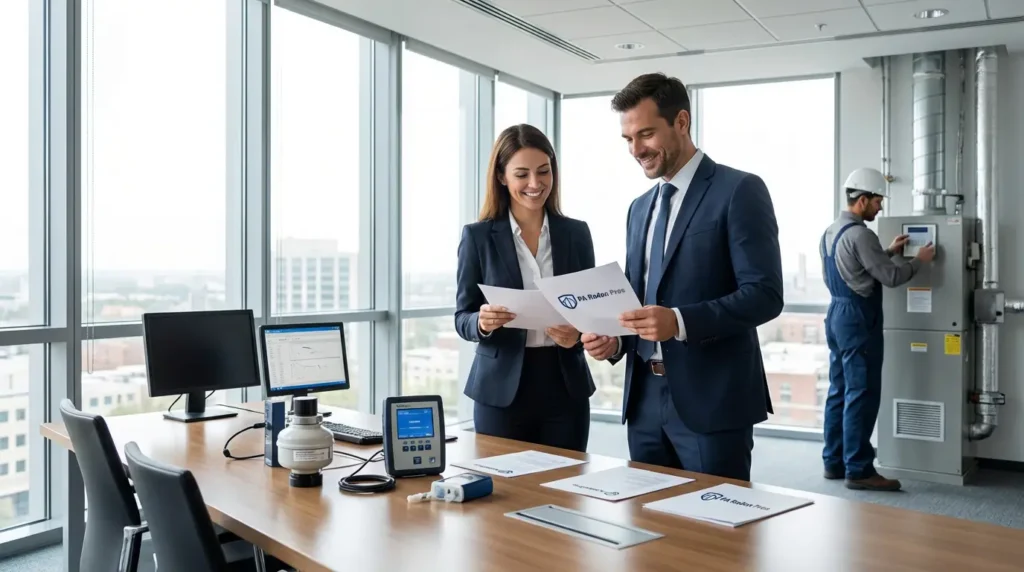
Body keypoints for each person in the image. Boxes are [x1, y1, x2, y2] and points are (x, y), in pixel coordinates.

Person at [582, 72, 783, 481]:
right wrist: (615, 340)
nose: (636, 150)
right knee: (648, 531)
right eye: (628, 139)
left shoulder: (738, 190)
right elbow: (639, 300)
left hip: (712, 399)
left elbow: (764, 294)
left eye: (646, 134)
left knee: (716, 538)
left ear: (681, 122)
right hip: (644, 402)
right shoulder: (639, 208)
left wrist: (680, 321)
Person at [454, 124, 596, 452]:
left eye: (543, 172)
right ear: (502, 177)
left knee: (565, 489)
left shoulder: (576, 234)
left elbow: (590, 310)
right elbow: (462, 316)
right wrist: (481, 322)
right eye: (522, 174)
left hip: (565, 385)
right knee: (502, 491)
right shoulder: (477, 237)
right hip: (500, 389)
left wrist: (578, 333)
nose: (535, 184)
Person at [819, 167, 935, 491]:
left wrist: (888, 252)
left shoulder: (831, 231)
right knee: (862, 392)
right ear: (863, 200)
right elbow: (892, 278)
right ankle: (859, 469)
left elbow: (856, 268)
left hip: (837, 315)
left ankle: (834, 461)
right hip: (858, 318)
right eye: (878, 201)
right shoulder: (862, 234)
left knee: (839, 390)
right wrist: (920, 259)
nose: (880, 208)